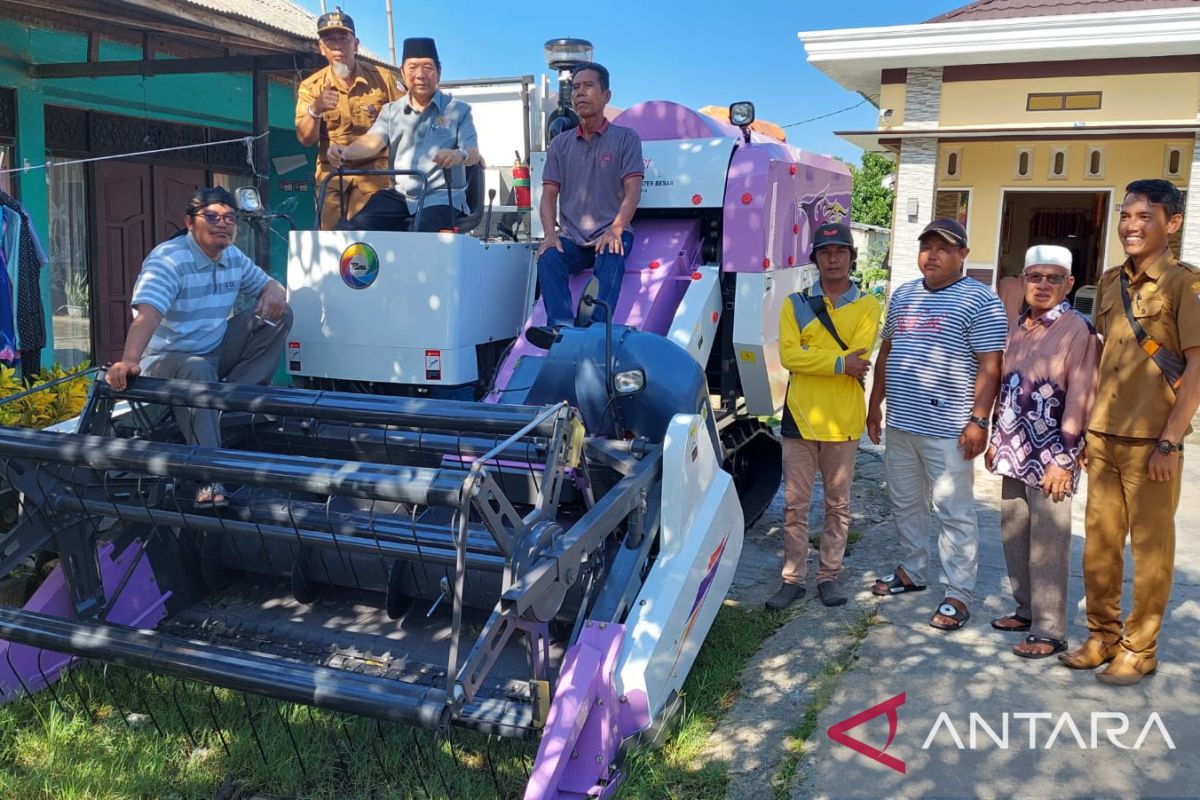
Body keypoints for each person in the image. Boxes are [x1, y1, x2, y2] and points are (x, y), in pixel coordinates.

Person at [1059, 179, 1200, 685]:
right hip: (1104, 437)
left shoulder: (1187, 284)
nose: (1132, 225)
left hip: (1152, 443)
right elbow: (1101, 359)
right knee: (1099, 544)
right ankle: (1102, 635)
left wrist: (1169, 440)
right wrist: (1085, 432)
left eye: (1145, 216)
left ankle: (1141, 649)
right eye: (1126, 214)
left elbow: (1194, 373)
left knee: (1151, 550)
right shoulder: (1112, 278)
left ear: (1173, 223)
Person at [105, 187, 293, 508]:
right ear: (190, 222)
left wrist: (276, 289)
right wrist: (129, 361)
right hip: (168, 360)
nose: (223, 224)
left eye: (230, 218)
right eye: (211, 216)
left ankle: (232, 398)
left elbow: (265, 285)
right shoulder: (169, 259)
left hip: (215, 348)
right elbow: (147, 314)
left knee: (279, 315)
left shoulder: (231, 255)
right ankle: (209, 478)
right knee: (196, 366)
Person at [866, 218, 1007, 631]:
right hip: (902, 423)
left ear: (962, 254)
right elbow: (887, 351)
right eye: (927, 246)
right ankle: (912, 569)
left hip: (949, 429)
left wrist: (979, 421)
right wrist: (875, 405)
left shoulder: (981, 300)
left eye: (943, 248)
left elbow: (991, 366)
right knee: (906, 501)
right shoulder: (904, 295)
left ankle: (958, 592)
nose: (932, 254)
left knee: (953, 511)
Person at [985, 245, 1100, 658]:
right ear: (1023, 282)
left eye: (1054, 278)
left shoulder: (1078, 329)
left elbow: (1081, 397)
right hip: (1015, 451)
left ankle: (1050, 630)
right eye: (1036, 277)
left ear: (1069, 284)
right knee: (1014, 531)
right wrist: (997, 440)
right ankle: (1025, 610)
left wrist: (1064, 461)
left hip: (1053, 457)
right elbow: (1008, 386)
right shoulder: (1018, 325)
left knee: (1048, 541)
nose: (1043, 285)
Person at [766, 223, 882, 609]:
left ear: (851, 256)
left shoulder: (868, 305)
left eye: (840, 251)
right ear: (814, 258)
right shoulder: (793, 303)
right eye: (825, 251)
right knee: (795, 505)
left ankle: (829, 576)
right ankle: (793, 578)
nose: (833, 258)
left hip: (844, 420)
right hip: (800, 418)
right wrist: (836, 362)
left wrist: (815, 355)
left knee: (838, 504)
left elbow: (860, 358)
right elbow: (789, 356)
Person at [524, 62, 643, 349]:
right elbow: (549, 194)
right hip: (573, 237)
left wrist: (616, 228)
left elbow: (633, 191)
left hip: (610, 232)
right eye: (576, 88)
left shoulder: (626, 138)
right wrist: (551, 235)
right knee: (549, 257)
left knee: (611, 252)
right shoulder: (560, 145)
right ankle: (560, 328)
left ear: (606, 95)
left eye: (588, 86)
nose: (580, 93)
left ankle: (598, 331)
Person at [328, 37, 480, 232]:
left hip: (442, 198)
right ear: (402, 72)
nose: (420, 75)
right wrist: (345, 152)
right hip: (400, 197)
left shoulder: (458, 111)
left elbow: (473, 152)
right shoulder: (391, 111)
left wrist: (458, 155)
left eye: (428, 68)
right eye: (412, 68)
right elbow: (372, 142)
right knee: (360, 224)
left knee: (419, 230)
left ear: (439, 72)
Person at [294, 7, 404, 230]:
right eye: (329, 40)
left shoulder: (384, 80)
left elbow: (412, 119)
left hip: (375, 175)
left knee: (366, 236)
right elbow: (305, 139)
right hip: (332, 176)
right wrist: (316, 108)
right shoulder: (311, 87)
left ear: (356, 44)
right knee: (329, 243)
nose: (337, 46)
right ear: (321, 48)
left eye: (343, 38)